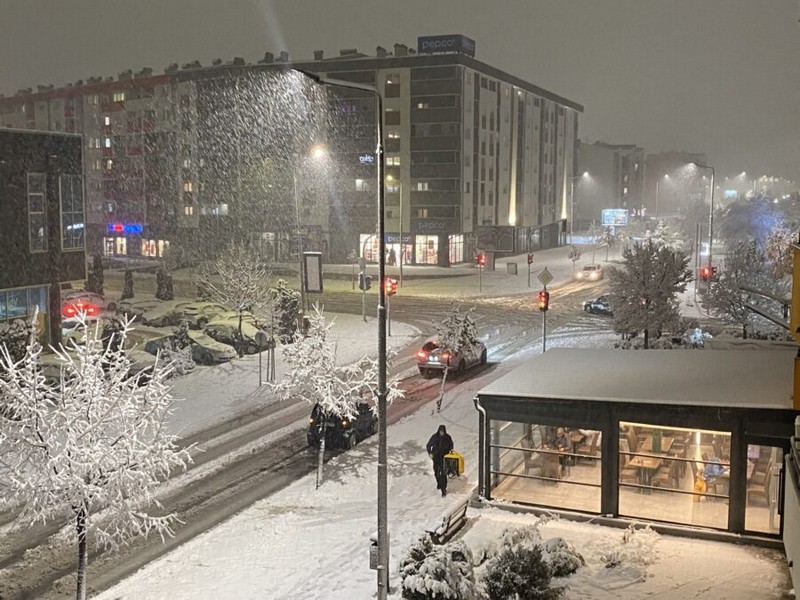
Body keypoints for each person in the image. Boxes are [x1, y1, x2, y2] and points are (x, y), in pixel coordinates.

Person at [427, 424, 454, 497]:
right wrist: (430, 453)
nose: (441, 433)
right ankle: (439, 483)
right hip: (436, 457)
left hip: (444, 457)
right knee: (436, 472)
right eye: (440, 431)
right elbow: (429, 445)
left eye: (442, 432)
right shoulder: (434, 437)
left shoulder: (448, 438)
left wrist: (451, 450)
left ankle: (443, 489)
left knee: (443, 473)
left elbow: (451, 445)